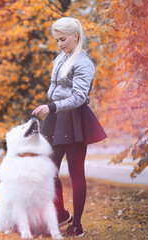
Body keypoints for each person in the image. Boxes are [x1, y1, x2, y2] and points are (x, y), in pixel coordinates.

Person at [31, 17, 107, 237]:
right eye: (57, 40)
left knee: (76, 173)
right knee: (48, 169)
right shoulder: (59, 58)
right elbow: (55, 88)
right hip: (55, 118)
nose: (60, 44)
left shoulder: (84, 63)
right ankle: (61, 214)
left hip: (75, 120)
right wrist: (51, 107)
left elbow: (79, 97)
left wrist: (52, 106)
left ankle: (78, 225)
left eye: (62, 39)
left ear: (76, 36)